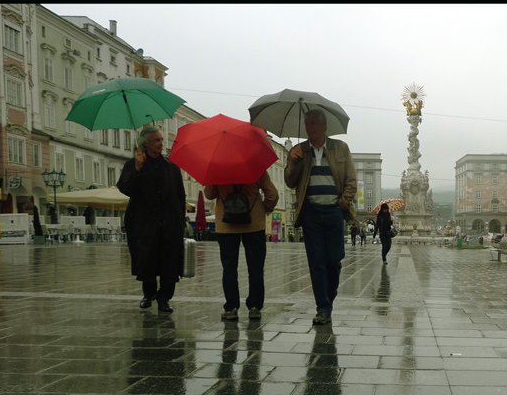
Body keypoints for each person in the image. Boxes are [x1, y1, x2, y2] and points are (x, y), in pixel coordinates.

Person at [285, 109, 357, 326]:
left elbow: (351, 181)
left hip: (334, 212)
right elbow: (290, 182)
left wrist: (342, 203)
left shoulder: (340, 148)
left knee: (334, 261)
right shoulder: (300, 151)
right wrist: (293, 161)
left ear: (324, 126)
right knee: (317, 263)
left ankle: (328, 298)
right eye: (307, 123)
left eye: (314, 123)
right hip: (311, 215)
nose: (310, 127)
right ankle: (323, 308)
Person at [117, 126, 186, 313]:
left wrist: (181, 221)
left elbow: (180, 196)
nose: (161, 143)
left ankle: (164, 298)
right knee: (146, 259)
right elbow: (125, 188)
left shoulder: (171, 167)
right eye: (156, 140)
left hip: (170, 222)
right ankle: (148, 294)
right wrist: (137, 170)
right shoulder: (133, 165)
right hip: (145, 222)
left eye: (161, 140)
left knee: (169, 261)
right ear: (145, 143)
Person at [203, 173, 278, 321]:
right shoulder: (256, 168)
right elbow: (273, 195)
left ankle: (231, 308)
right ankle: (255, 307)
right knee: (256, 268)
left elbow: (209, 194)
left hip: (226, 226)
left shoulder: (219, 169)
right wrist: (263, 209)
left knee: (229, 268)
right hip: (254, 225)